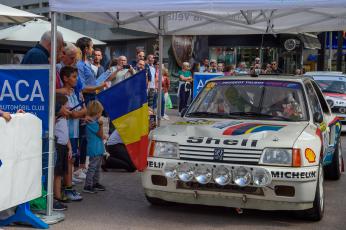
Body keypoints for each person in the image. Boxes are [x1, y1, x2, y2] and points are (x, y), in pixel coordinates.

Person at [60, 66, 85, 201]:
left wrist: (76, 114)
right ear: (65, 78)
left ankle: (67, 187)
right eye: (74, 77)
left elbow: (82, 110)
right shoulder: (63, 94)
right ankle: (67, 188)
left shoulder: (75, 92)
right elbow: (67, 113)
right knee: (68, 160)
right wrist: (74, 114)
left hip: (74, 132)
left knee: (72, 159)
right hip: (66, 133)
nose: (76, 80)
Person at [83, 100, 106, 193]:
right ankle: (88, 185)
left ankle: (95, 183)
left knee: (97, 167)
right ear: (97, 112)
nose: (101, 114)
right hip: (95, 148)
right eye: (100, 112)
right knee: (93, 167)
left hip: (98, 148)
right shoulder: (92, 123)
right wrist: (101, 125)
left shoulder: (93, 122)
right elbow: (100, 135)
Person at [53, 93, 71, 211]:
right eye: (66, 106)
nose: (68, 108)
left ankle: (59, 194)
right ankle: (57, 196)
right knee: (57, 173)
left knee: (61, 172)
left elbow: (66, 135)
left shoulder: (64, 118)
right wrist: (57, 115)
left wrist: (70, 147)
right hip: (58, 147)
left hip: (64, 147)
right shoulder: (57, 118)